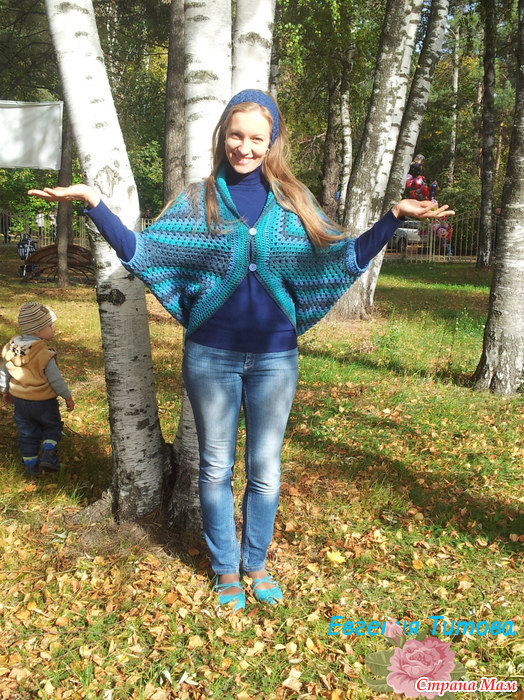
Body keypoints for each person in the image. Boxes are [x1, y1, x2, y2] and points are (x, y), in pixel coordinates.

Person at [28, 89, 453, 609]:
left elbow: (341, 258)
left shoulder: (294, 200)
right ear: (223, 137)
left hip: (275, 359)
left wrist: (391, 217)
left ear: (272, 141)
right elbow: (145, 252)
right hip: (211, 356)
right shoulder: (198, 200)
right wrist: (95, 203)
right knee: (214, 468)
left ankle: (256, 562)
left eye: (256, 138)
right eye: (236, 135)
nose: (244, 147)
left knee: (265, 470)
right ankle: (226, 568)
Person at [1, 302, 75, 478]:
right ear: (37, 331)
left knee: (27, 432)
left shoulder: (11, 349)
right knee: (52, 426)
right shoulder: (44, 353)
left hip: (20, 401)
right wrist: (67, 396)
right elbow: (55, 379)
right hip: (44, 402)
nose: (54, 330)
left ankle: (30, 466)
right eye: (50, 326)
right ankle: (49, 455)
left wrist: (5, 390)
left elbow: (4, 371)